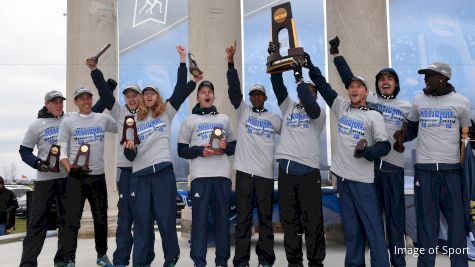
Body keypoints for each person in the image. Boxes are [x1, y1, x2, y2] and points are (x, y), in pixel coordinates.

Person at [329, 37, 411, 267]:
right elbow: (349, 79)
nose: (385, 82)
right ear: (374, 86)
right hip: (371, 171)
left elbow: (413, 131)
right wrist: (336, 55)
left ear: (396, 84)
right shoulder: (369, 99)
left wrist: (404, 137)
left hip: (393, 170)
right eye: (382, 79)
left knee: (395, 223)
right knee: (370, 222)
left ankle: (398, 262)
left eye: (390, 79)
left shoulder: (407, 106)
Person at [306, 51, 391, 266]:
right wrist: (310, 66)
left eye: (358, 87)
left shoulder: (374, 116)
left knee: (373, 229)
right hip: (343, 180)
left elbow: (385, 145)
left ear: (365, 92)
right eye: (351, 86)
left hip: (363, 182)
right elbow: (323, 87)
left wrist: (368, 153)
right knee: (352, 230)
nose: (354, 89)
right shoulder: (341, 107)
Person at [124, 45, 199, 267]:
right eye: (145, 93)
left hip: (163, 173)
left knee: (166, 219)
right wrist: (129, 148)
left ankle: (171, 257)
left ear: (156, 97)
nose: (148, 96)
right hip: (140, 176)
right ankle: (141, 261)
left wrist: (183, 60)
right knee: (142, 223)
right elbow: (129, 155)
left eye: (151, 93)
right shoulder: (132, 121)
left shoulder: (166, 112)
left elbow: (180, 90)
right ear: (140, 99)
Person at [18, 89, 110, 267]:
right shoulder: (36, 125)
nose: (59, 105)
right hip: (45, 180)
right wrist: (37, 163)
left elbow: (92, 109)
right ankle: (28, 263)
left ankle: (61, 260)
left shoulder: (70, 118)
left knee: (66, 222)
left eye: (61, 101)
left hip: (68, 178)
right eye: (55, 102)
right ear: (47, 104)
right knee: (37, 222)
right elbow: (24, 150)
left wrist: (107, 89)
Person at [398, 62, 472, 267]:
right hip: (425, 170)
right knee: (426, 224)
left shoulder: (462, 102)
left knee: (456, 223)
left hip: (452, 170)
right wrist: (401, 137)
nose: (425, 79)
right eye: (424, 75)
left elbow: (468, 134)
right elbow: (411, 129)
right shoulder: (418, 100)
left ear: (443, 78)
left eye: (429, 76)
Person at [86, 55, 156, 267]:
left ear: (141, 98)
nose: (132, 99)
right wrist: (95, 70)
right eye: (128, 96)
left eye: (135, 95)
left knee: (145, 218)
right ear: (125, 98)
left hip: (144, 172)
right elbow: (105, 94)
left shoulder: (150, 115)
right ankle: (120, 260)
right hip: (125, 172)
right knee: (125, 218)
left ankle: (145, 259)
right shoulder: (119, 112)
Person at [268, 42, 326, 267]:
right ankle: (294, 262)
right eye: (305, 92)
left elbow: (310, 103)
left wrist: (301, 78)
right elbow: (276, 83)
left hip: (308, 173)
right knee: (289, 221)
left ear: (316, 97)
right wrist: (274, 56)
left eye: (312, 93)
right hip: (286, 173)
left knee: (312, 221)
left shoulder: (318, 114)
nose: (307, 96)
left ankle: (316, 262)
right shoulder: (289, 107)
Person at [226, 41, 282, 267]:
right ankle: (241, 261)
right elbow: (233, 90)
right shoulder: (243, 110)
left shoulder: (275, 118)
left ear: (265, 98)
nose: (256, 97)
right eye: (253, 94)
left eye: (259, 94)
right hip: (244, 174)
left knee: (266, 221)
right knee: (243, 219)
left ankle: (266, 260)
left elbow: (293, 135)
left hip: (266, 176)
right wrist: (230, 63)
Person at [177, 78, 237, 267]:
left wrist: (226, 147)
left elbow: (234, 146)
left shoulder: (224, 119)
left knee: (222, 222)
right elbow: (181, 150)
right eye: (203, 92)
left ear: (213, 95)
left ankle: (221, 262)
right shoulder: (189, 120)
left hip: (222, 176)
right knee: (200, 222)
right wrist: (199, 151)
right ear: (198, 97)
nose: (207, 94)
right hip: (200, 178)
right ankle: (199, 262)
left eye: (209, 91)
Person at [58, 86, 118, 267]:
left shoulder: (103, 119)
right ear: (76, 102)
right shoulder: (68, 122)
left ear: (92, 100)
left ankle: (102, 255)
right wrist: (70, 169)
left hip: (98, 177)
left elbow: (122, 127)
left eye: (88, 98)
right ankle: (70, 259)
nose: (86, 101)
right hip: (76, 178)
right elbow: (61, 150)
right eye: (81, 98)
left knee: (101, 220)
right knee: (72, 222)